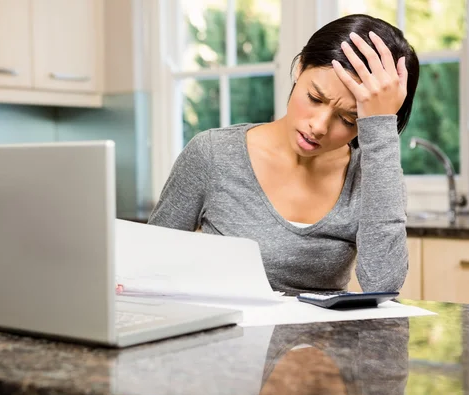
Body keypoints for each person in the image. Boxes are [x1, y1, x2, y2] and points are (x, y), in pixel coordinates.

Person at [148, 14, 420, 296]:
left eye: (349, 119)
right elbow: (149, 267)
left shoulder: (374, 175)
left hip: (326, 339)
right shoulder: (212, 154)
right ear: (299, 68)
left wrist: (380, 130)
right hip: (231, 336)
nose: (319, 126)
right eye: (314, 98)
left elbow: (383, 284)